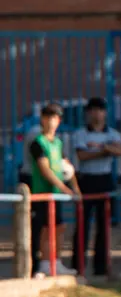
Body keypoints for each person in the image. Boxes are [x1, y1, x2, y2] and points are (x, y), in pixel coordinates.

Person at [72, 97, 121, 276]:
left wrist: (99, 148)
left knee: (104, 225)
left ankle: (101, 267)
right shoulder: (80, 133)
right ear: (88, 113)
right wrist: (105, 151)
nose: (96, 114)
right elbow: (82, 156)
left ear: (105, 113)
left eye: (100, 110)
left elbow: (119, 151)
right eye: (93, 110)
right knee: (82, 224)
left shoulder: (113, 134)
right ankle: (77, 266)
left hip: (105, 180)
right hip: (86, 180)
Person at [30, 103, 79, 277]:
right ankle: (43, 264)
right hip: (43, 192)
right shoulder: (38, 143)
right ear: (42, 119)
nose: (51, 121)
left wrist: (75, 188)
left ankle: (56, 261)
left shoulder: (57, 143)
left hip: (56, 195)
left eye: (55, 118)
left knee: (58, 227)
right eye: (48, 117)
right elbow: (45, 169)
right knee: (44, 228)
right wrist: (64, 188)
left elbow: (66, 166)